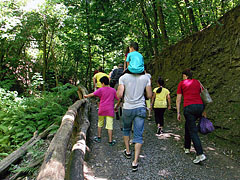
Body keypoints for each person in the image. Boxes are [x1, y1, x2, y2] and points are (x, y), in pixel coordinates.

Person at [116, 72, 152, 172]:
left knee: (126, 129)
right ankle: (135, 162)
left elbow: (119, 95)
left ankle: (128, 151)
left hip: (128, 108)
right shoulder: (146, 78)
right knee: (138, 135)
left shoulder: (123, 78)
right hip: (140, 107)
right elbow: (149, 95)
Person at [176, 68, 206, 164]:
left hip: (189, 108)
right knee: (188, 125)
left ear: (185, 75)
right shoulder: (198, 82)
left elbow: (178, 99)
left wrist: (178, 112)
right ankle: (187, 147)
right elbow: (204, 95)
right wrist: (204, 110)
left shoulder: (182, 83)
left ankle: (200, 154)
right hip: (200, 106)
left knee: (193, 130)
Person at [84, 76, 119, 146]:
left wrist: (86, 96)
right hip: (110, 110)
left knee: (100, 123)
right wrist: (116, 106)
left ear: (103, 83)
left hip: (102, 109)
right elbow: (118, 98)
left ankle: (99, 137)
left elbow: (93, 94)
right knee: (110, 126)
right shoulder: (113, 90)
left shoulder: (101, 90)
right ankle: (110, 141)